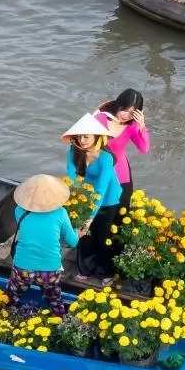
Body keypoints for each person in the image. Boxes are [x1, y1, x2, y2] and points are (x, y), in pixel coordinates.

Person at [4, 174, 75, 320]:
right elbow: (72, 242)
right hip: (50, 270)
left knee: (11, 297)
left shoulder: (19, 211)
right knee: (55, 301)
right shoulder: (61, 212)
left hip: (23, 267)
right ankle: (59, 319)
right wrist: (78, 233)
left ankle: (7, 316)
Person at [66, 113, 123, 281]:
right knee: (83, 234)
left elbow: (101, 189)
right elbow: (72, 179)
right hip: (85, 195)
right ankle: (85, 269)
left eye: (86, 136)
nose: (82, 140)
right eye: (79, 136)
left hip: (107, 198)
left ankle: (106, 272)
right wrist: (76, 205)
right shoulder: (73, 151)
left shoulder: (106, 157)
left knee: (102, 235)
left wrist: (90, 217)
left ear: (96, 137)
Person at [94, 89, 148, 206]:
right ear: (119, 104)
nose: (126, 115)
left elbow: (144, 149)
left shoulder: (132, 127)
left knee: (120, 214)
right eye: (124, 110)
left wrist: (141, 125)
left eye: (131, 113)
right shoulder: (100, 118)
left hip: (121, 174)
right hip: (98, 172)